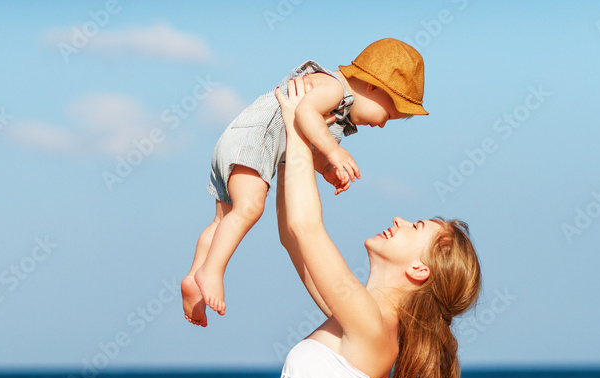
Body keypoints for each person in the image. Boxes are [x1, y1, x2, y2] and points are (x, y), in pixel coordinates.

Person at [230, 77, 482, 378]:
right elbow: (291, 235)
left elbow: (307, 227)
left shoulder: (372, 326)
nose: (402, 220)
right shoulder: (359, 319)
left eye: (417, 229)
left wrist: (299, 125)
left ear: (419, 271)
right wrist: (292, 142)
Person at [182, 39, 430, 327]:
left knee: (224, 220)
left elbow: (304, 140)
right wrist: (333, 151)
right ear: (373, 87)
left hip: (240, 142)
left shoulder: (338, 108)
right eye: (388, 115)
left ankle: (193, 278)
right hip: (254, 142)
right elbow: (304, 114)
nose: (383, 124)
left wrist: (325, 167)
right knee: (249, 209)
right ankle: (212, 272)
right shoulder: (334, 88)